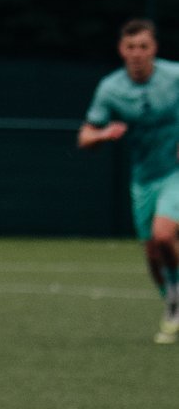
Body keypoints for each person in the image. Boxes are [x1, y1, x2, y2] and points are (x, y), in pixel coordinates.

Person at [76, 19, 179, 344]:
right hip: (143, 179)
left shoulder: (174, 77)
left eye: (143, 47)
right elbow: (84, 137)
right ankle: (172, 300)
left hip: (174, 172)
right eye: (131, 47)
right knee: (152, 253)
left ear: (154, 49)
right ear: (122, 50)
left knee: (164, 235)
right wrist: (103, 134)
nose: (137, 53)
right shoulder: (111, 89)